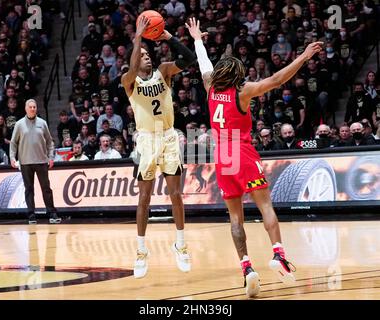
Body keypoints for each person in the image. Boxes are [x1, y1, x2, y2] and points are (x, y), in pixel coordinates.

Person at [186, 17, 322, 297]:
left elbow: (204, 63)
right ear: (236, 76)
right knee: (265, 208)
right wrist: (304, 57)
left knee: (235, 219)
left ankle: (246, 267)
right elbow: (276, 79)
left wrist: (198, 39)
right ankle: (279, 255)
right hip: (243, 152)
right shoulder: (242, 92)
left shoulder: (210, 86)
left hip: (222, 158)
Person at [121, 15, 195, 279]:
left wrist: (169, 38)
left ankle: (181, 244)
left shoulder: (163, 71)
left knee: (176, 195)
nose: (147, 57)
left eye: (147, 54)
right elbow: (130, 69)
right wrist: (137, 38)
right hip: (146, 140)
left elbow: (189, 60)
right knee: (144, 198)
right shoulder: (129, 81)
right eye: (142, 55)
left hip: (168, 136)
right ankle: (141, 251)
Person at [9, 99, 61, 224]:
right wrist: (12, 157)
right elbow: (13, 142)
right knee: (29, 189)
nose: (33, 109)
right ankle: (31, 214)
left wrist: (51, 157)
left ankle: (52, 213)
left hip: (42, 161)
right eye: (30, 107)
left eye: (34, 107)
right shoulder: (19, 124)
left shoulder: (42, 123)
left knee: (46, 188)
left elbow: (50, 142)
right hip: (25, 162)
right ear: (26, 109)